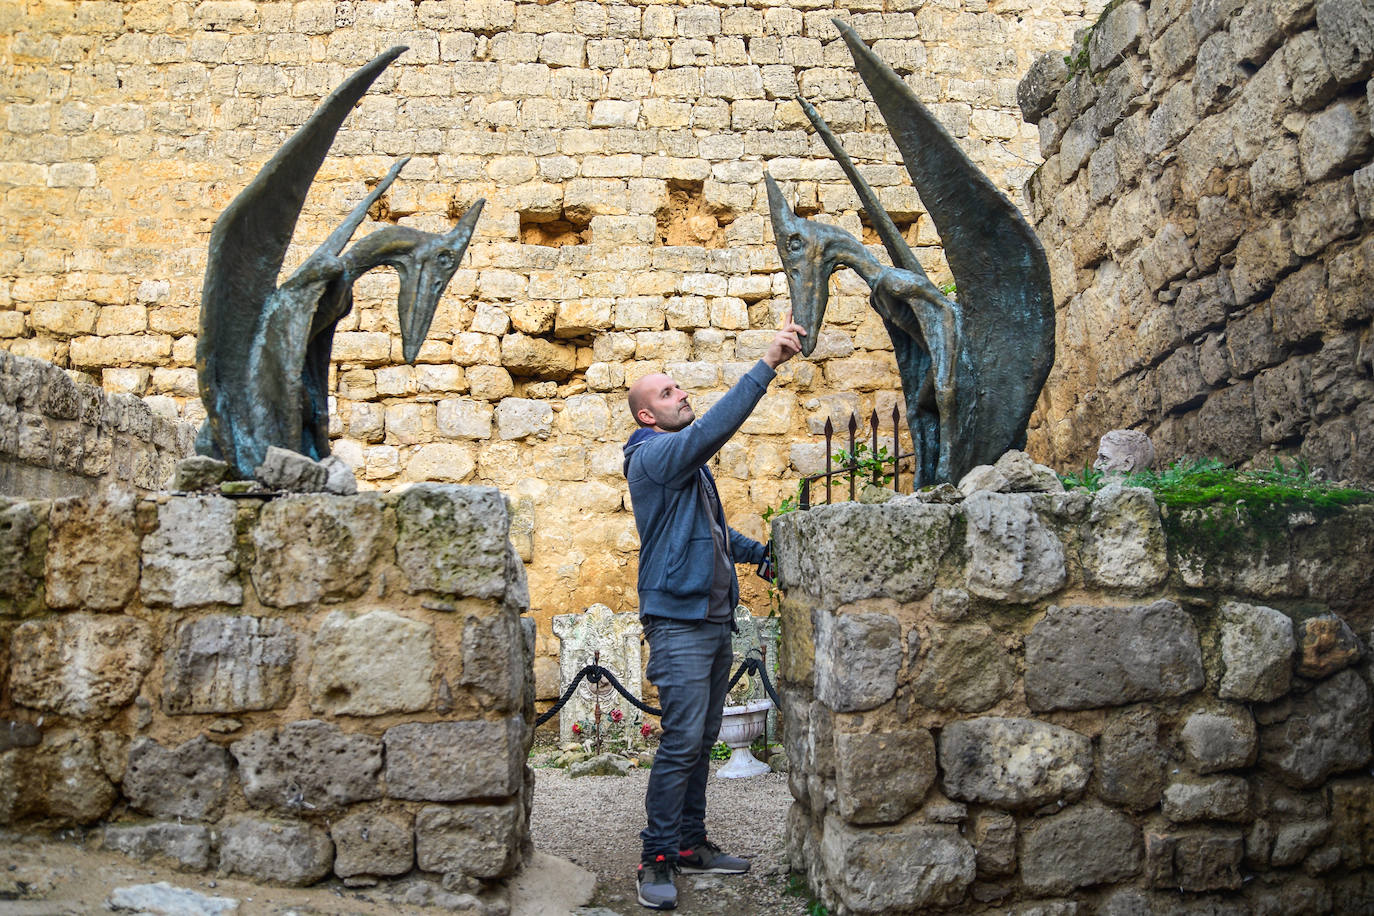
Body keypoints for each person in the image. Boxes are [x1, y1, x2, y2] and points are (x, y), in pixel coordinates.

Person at [622, 310, 806, 910]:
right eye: (668, 392)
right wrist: (767, 365)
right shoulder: (653, 456)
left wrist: (762, 556)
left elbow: (713, 531)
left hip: (710, 616)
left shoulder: (687, 469)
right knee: (681, 741)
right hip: (675, 622)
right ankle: (655, 857)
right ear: (648, 414)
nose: (682, 394)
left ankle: (690, 845)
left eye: (679, 386)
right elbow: (710, 432)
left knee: (702, 740)